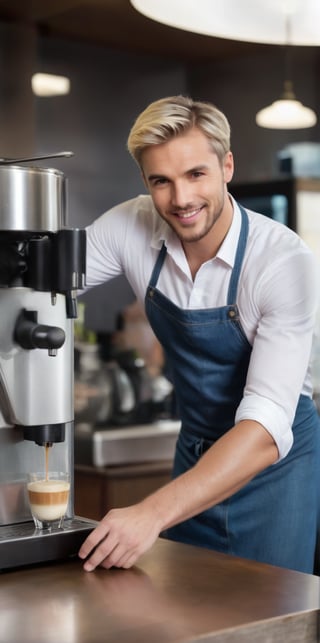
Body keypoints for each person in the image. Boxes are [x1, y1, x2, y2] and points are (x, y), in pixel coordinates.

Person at [78, 95, 320, 574]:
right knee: (185, 611)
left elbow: (268, 421)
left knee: (268, 619)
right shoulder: (131, 226)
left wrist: (150, 512)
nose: (181, 199)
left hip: (274, 464)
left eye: (196, 175)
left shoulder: (282, 261)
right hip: (195, 453)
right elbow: (40, 277)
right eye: (161, 182)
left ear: (226, 166)